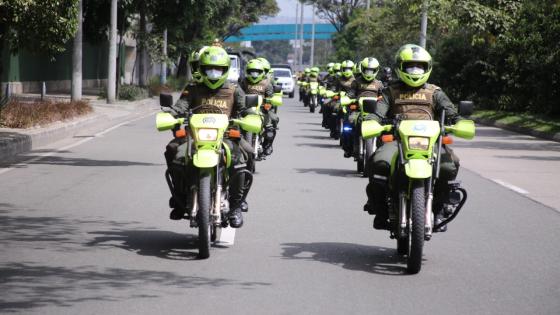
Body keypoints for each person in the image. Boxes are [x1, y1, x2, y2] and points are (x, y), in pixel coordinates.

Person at [363, 44, 462, 232]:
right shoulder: (389, 91)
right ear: (401, 66)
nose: (415, 71)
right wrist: (372, 121)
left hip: (429, 142)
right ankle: (381, 210)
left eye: (419, 66)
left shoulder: (435, 92)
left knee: (450, 165)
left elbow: (451, 113)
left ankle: (439, 208)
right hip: (396, 140)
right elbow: (377, 112)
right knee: (379, 162)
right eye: (410, 66)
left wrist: (459, 121)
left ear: (427, 68)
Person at [163, 45, 251, 228]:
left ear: (225, 70)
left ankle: (236, 205)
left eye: (218, 69)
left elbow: (245, 109)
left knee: (246, 155)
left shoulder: (234, 90)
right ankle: (179, 198)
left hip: (226, 135)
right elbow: (180, 106)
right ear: (201, 69)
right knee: (173, 150)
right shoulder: (193, 88)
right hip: (194, 136)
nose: (213, 73)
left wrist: (250, 116)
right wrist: (170, 114)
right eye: (209, 69)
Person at [239, 59, 279, 157]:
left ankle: (267, 145)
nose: (254, 74)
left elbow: (270, 96)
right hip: (245, 110)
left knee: (274, 121)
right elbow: (238, 94)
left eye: (257, 72)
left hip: (262, 110)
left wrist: (268, 102)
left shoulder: (266, 83)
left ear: (261, 72)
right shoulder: (243, 81)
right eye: (252, 72)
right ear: (247, 72)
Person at [347, 57, 384, 158]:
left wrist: (381, 99)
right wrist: (351, 97)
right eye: (367, 70)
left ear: (376, 70)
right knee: (350, 121)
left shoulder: (379, 84)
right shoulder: (356, 82)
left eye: (371, 70)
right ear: (362, 69)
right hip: (359, 110)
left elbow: (384, 97)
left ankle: (381, 150)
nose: (369, 73)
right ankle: (350, 147)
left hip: (375, 112)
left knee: (385, 127)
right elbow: (351, 93)